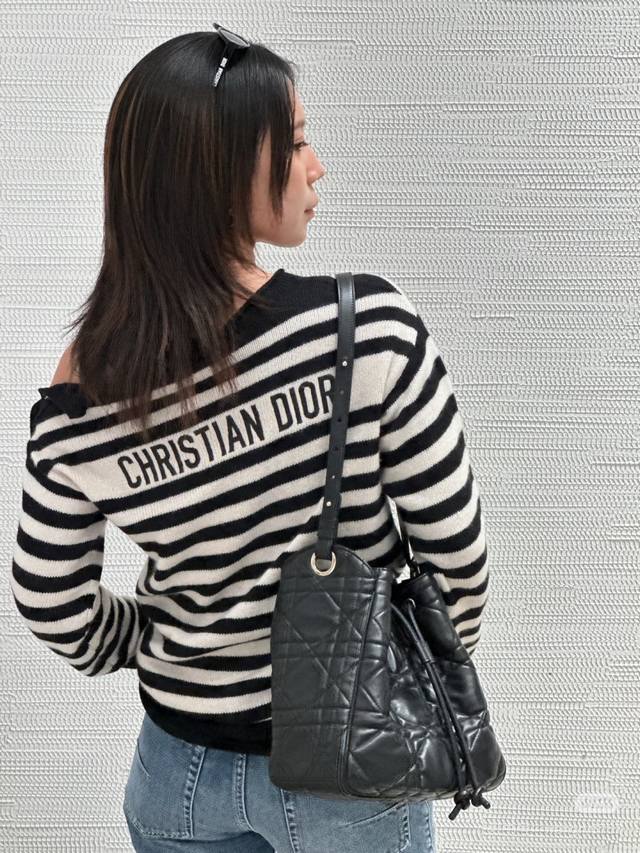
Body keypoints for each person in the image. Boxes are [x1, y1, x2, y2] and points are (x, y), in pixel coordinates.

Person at [10, 25, 490, 853]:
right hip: (351, 770)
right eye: (296, 142)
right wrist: (402, 684)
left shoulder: (83, 383)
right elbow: (459, 564)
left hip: (175, 776)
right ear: (224, 172)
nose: (317, 166)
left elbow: (51, 603)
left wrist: (158, 638)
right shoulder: (366, 330)